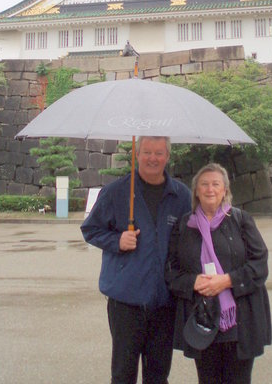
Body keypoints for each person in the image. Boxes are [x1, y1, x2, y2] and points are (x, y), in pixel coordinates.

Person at [81, 136, 191, 384]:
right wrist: (117, 241)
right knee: (123, 374)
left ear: (168, 156)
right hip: (125, 301)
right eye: (147, 152)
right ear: (137, 154)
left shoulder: (181, 196)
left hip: (164, 301)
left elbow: (192, 239)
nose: (153, 158)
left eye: (159, 153)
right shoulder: (116, 192)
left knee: (158, 375)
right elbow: (91, 230)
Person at [165, 163, 271, 384]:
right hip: (202, 318)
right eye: (204, 184)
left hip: (239, 319)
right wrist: (192, 282)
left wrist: (227, 280)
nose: (209, 189)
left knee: (238, 379)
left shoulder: (240, 220)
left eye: (215, 184)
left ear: (225, 190)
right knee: (207, 379)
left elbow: (259, 263)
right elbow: (171, 270)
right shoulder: (185, 225)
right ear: (196, 190)